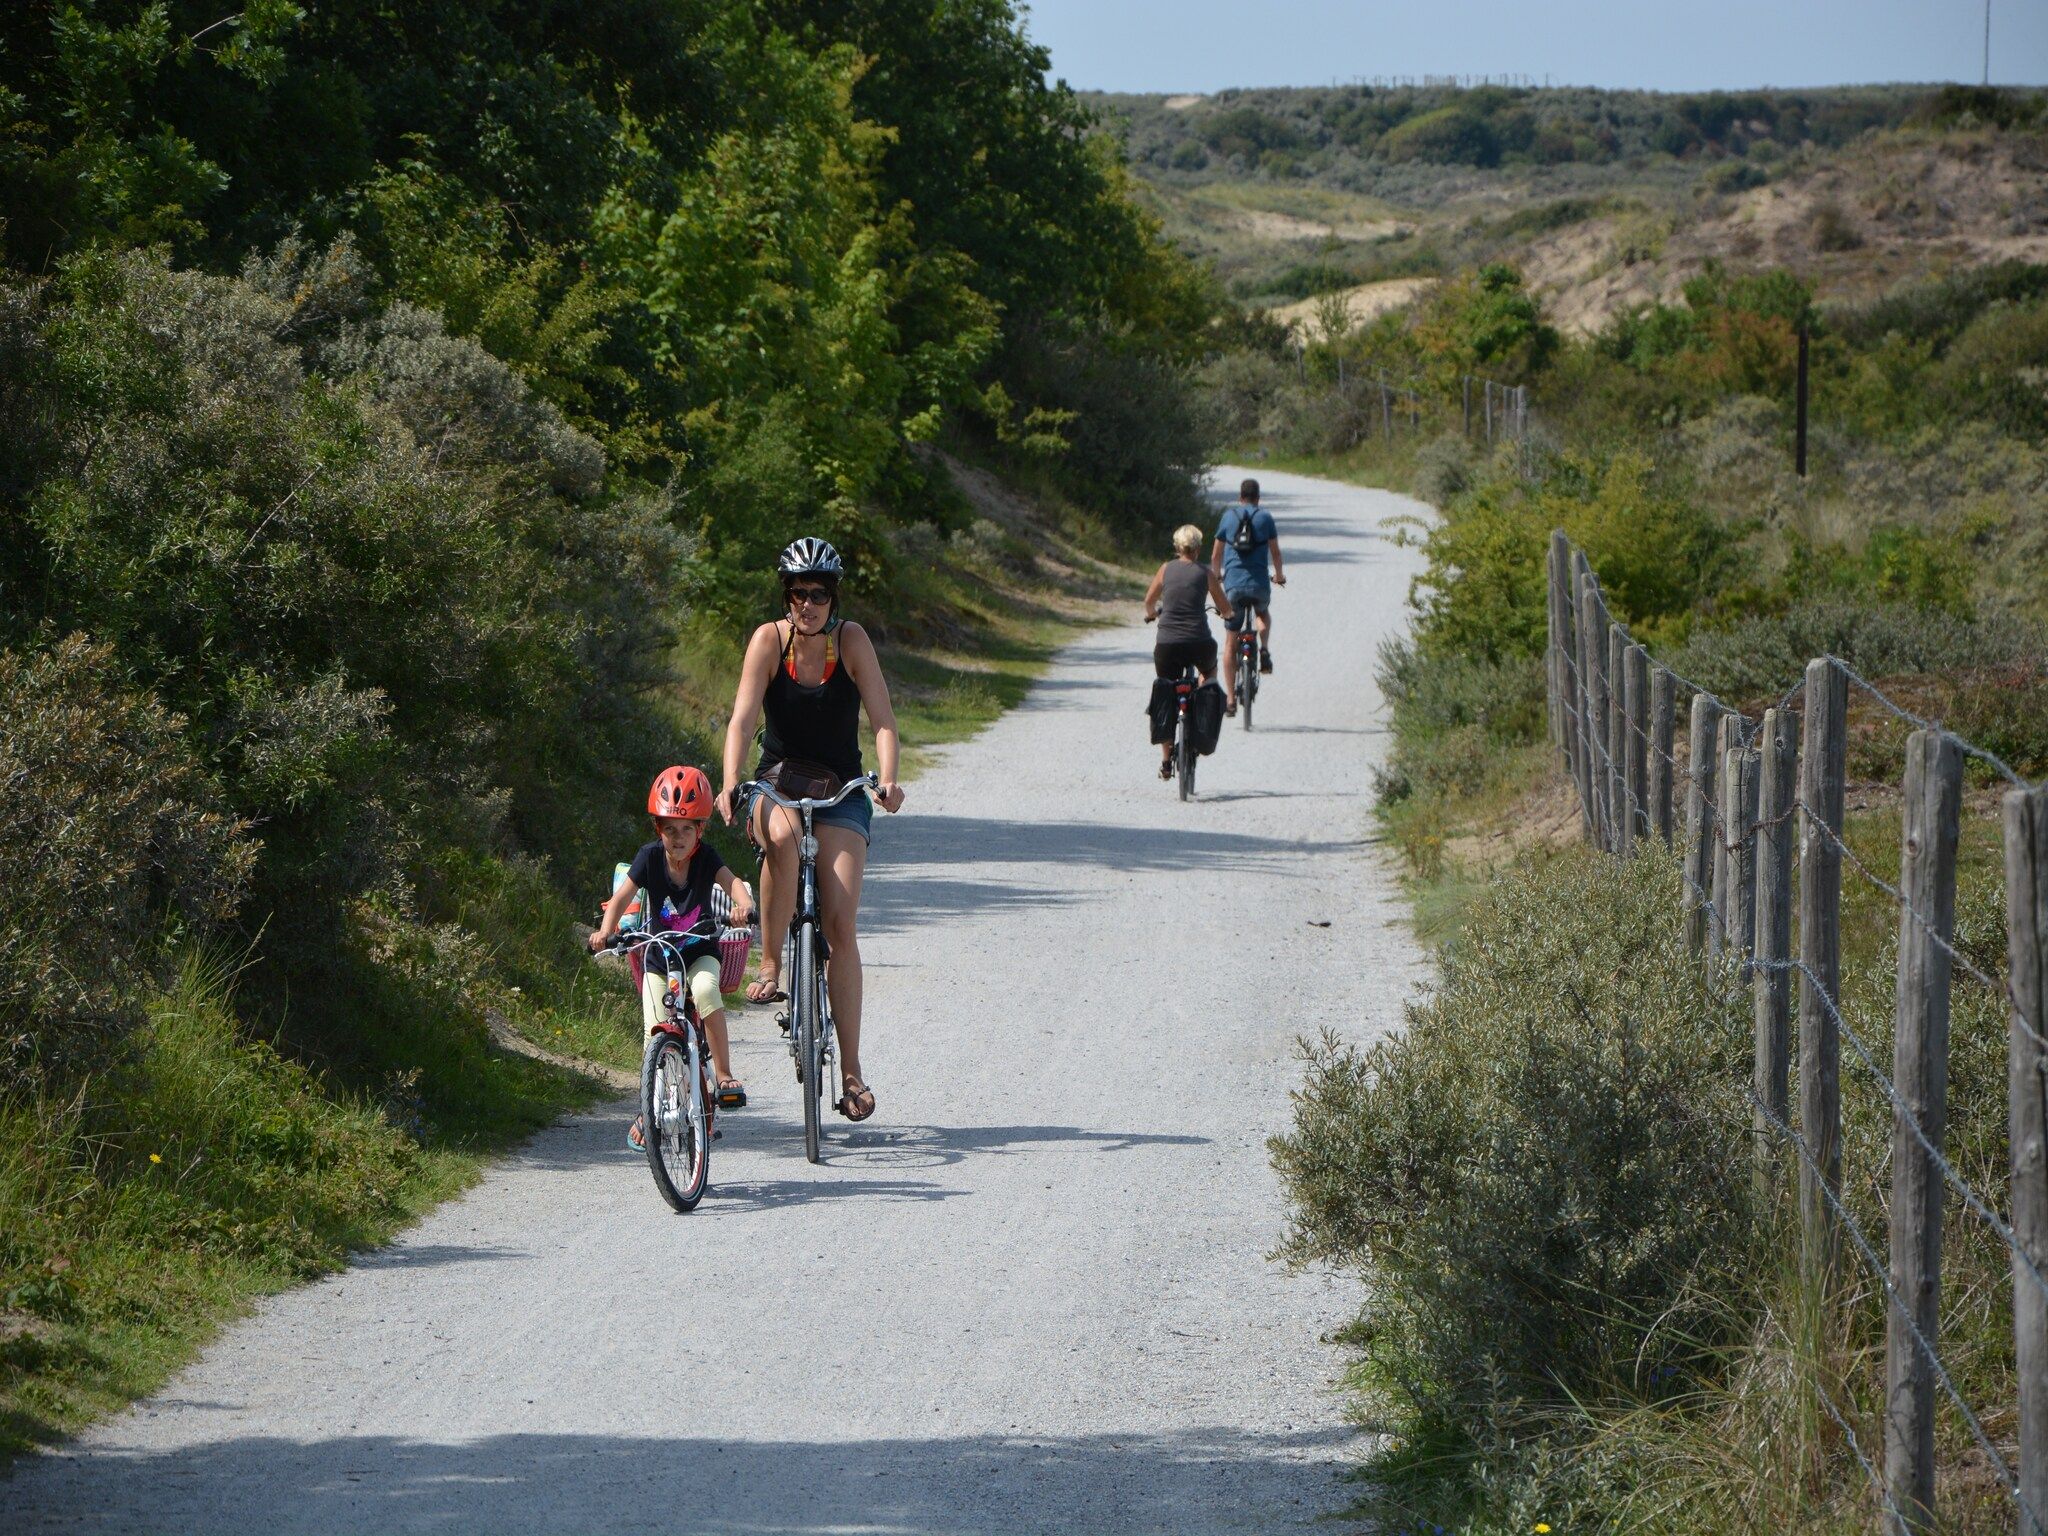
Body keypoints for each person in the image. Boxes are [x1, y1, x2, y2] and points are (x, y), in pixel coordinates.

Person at [715, 537, 904, 1124]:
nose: (809, 604)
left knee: (841, 923)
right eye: (799, 594)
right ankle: (771, 964)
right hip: (777, 782)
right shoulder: (768, 642)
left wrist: (888, 781)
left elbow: (883, 721)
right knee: (784, 840)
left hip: (841, 789)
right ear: (787, 597)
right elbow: (742, 719)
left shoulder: (852, 642)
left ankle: (851, 1073)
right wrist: (729, 782)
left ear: (833, 599)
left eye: (820, 594)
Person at [590, 765, 757, 1150]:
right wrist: (604, 931)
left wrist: (743, 907)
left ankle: (724, 1075)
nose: (678, 837)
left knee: (707, 991)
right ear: (657, 829)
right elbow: (621, 897)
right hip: (658, 956)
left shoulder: (707, 858)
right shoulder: (648, 857)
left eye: (686, 829)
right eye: (669, 829)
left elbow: (733, 883)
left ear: (701, 830)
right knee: (655, 1030)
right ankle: (652, 1106)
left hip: (699, 951)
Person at [1144, 524, 1234, 777]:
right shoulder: (1205, 573)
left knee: (1165, 690)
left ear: (1177, 548)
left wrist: (1152, 614)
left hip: (1167, 645)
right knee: (1209, 672)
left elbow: (1149, 601)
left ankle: (1165, 761)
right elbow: (1224, 606)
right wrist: (1228, 614)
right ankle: (1202, 707)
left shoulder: (1165, 569)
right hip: (1199, 643)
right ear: (1198, 549)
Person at [1211, 477, 1285, 705]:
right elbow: (1276, 553)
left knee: (1230, 641)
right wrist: (1279, 576)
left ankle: (1230, 699)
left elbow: (1215, 555)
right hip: (1259, 584)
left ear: (1240, 497)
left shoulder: (1228, 517)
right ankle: (1264, 649)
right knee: (1262, 613)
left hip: (1233, 585)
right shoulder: (1265, 517)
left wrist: (1217, 576)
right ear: (1258, 498)